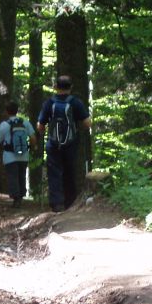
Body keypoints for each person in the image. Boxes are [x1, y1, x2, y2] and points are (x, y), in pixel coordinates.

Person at [35, 75, 91, 212]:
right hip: (71, 144)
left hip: (53, 144)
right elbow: (87, 123)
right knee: (69, 172)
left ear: (56, 87)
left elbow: (39, 125)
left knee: (54, 173)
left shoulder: (49, 103)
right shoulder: (75, 102)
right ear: (70, 87)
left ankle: (56, 204)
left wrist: (44, 132)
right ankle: (70, 202)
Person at [0, 100, 37, 209]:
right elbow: (33, 138)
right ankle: (21, 197)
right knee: (21, 175)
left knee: (13, 176)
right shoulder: (25, 122)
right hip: (24, 155)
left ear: (7, 112)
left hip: (10, 156)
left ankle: (16, 199)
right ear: (17, 111)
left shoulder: (5, 125)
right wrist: (32, 148)